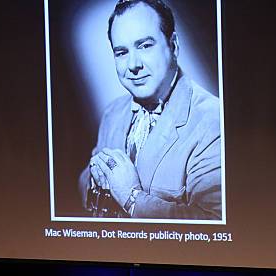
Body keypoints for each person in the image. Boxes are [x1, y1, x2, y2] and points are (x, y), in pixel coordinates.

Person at [79, 0, 221, 220]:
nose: (133, 64)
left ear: (173, 45)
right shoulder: (113, 114)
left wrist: (131, 197)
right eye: (122, 52)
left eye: (145, 46)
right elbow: (85, 192)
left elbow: (211, 224)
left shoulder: (213, 121)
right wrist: (93, 178)